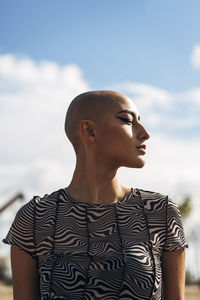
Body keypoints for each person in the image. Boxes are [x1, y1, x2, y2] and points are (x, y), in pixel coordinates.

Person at [3, 90, 187, 300]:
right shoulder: (36, 217)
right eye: (128, 120)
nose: (145, 133)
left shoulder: (159, 212)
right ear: (89, 131)